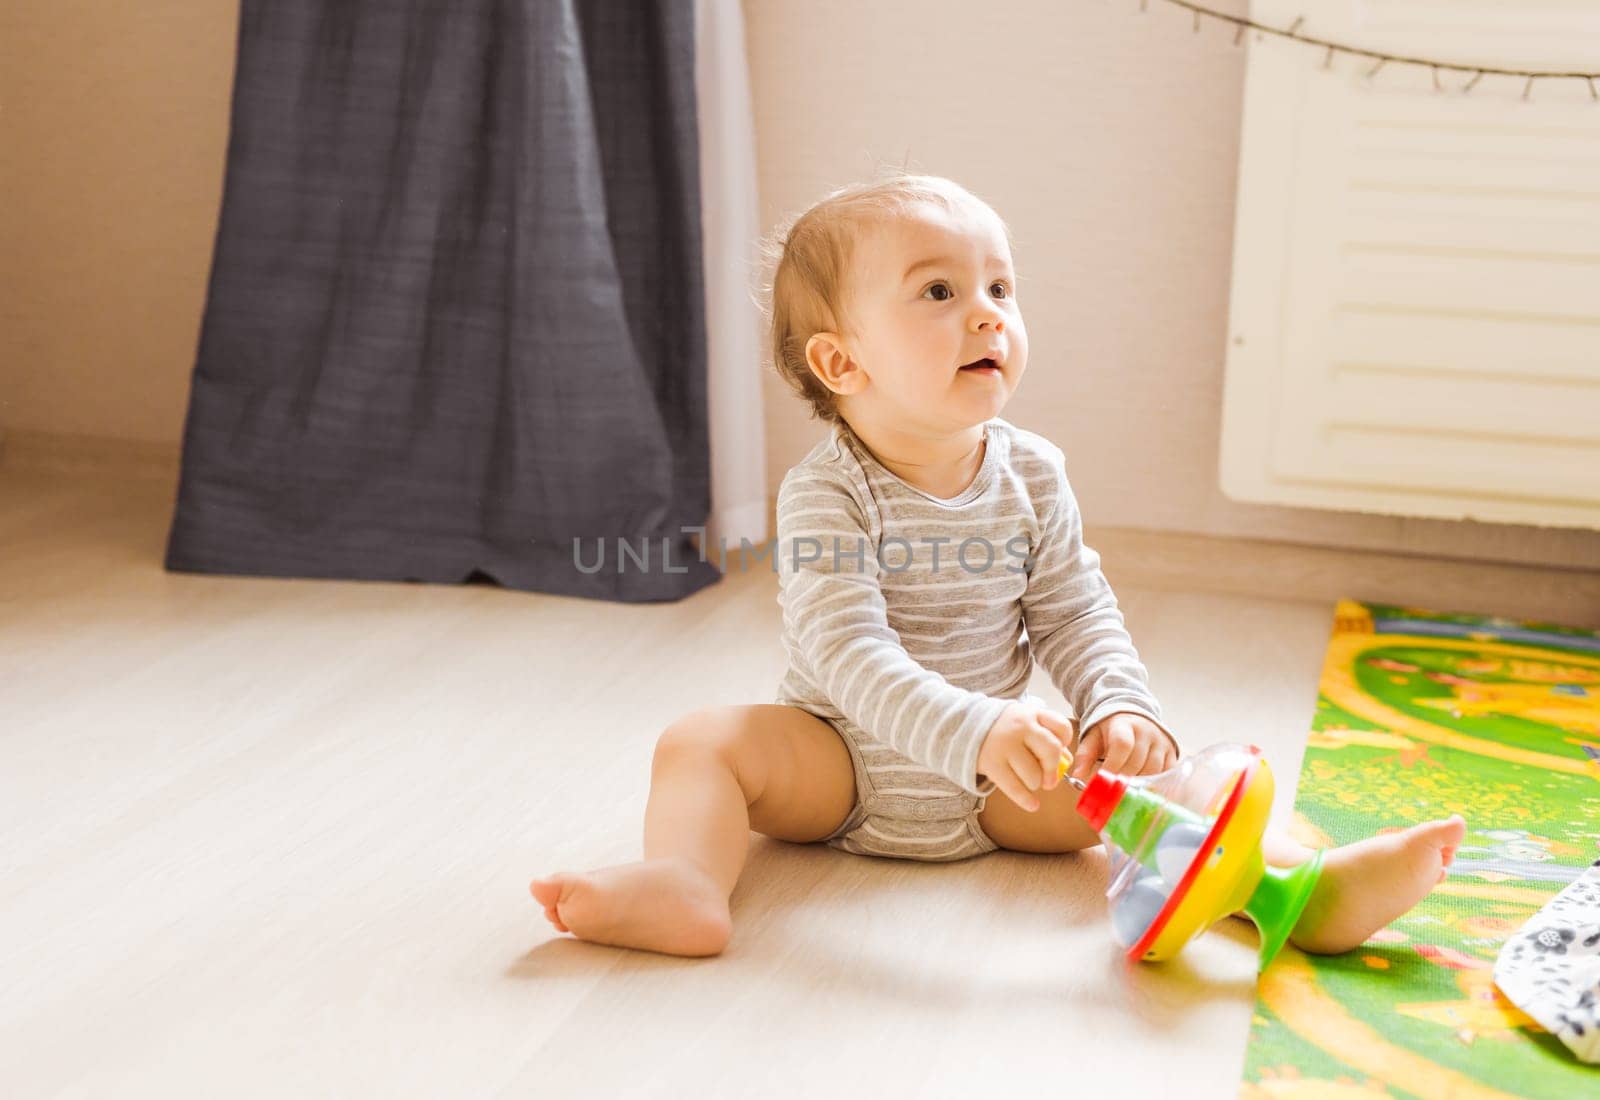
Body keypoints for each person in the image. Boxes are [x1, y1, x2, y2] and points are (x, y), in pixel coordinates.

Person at [530, 172, 1466, 958]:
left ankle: (1296, 895)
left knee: (1167, 794)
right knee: (702, 742)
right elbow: (848, 657)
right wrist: (972, 727)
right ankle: (685, 882)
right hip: (843, 764)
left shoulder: (1031, 471)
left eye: (1001, 290)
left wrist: (1116, 703)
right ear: (841, 362)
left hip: (1004, 787)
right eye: (939, 293)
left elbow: (1073, 609)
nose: (985, 314)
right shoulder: (826, 493)